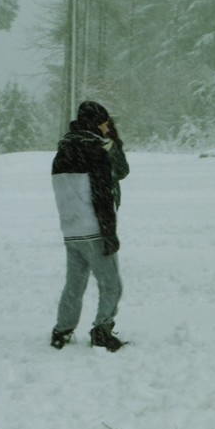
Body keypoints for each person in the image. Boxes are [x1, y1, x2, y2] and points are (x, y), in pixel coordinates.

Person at [50, 101, 126, 352]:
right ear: (96, 123)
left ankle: (62, 330)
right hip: (93, 229)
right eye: (104, 122)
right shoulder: (95, 152)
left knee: (74, 284)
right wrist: (109, 232)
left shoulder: (62, 152)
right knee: (111, 284)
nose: (107, 126)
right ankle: (102, 330)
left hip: (70, 231)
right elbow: (102, 195)